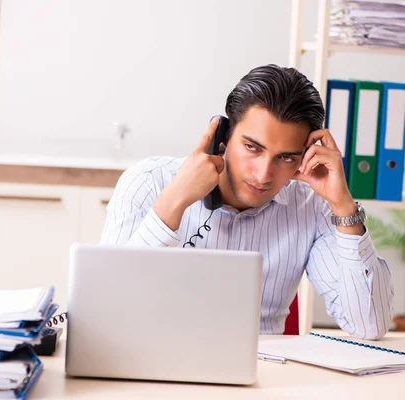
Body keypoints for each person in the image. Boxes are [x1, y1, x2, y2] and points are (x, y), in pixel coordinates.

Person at [100, 64, 394, 340]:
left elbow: (368, 326)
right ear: (224, 136)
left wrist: (343, 205)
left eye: (286, 157)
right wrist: (174, 202)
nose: (263, 175)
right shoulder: (149, 181)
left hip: (263, 377)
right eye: (252, 148)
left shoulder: (311, 206)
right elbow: (106, 309)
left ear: (304, 157)